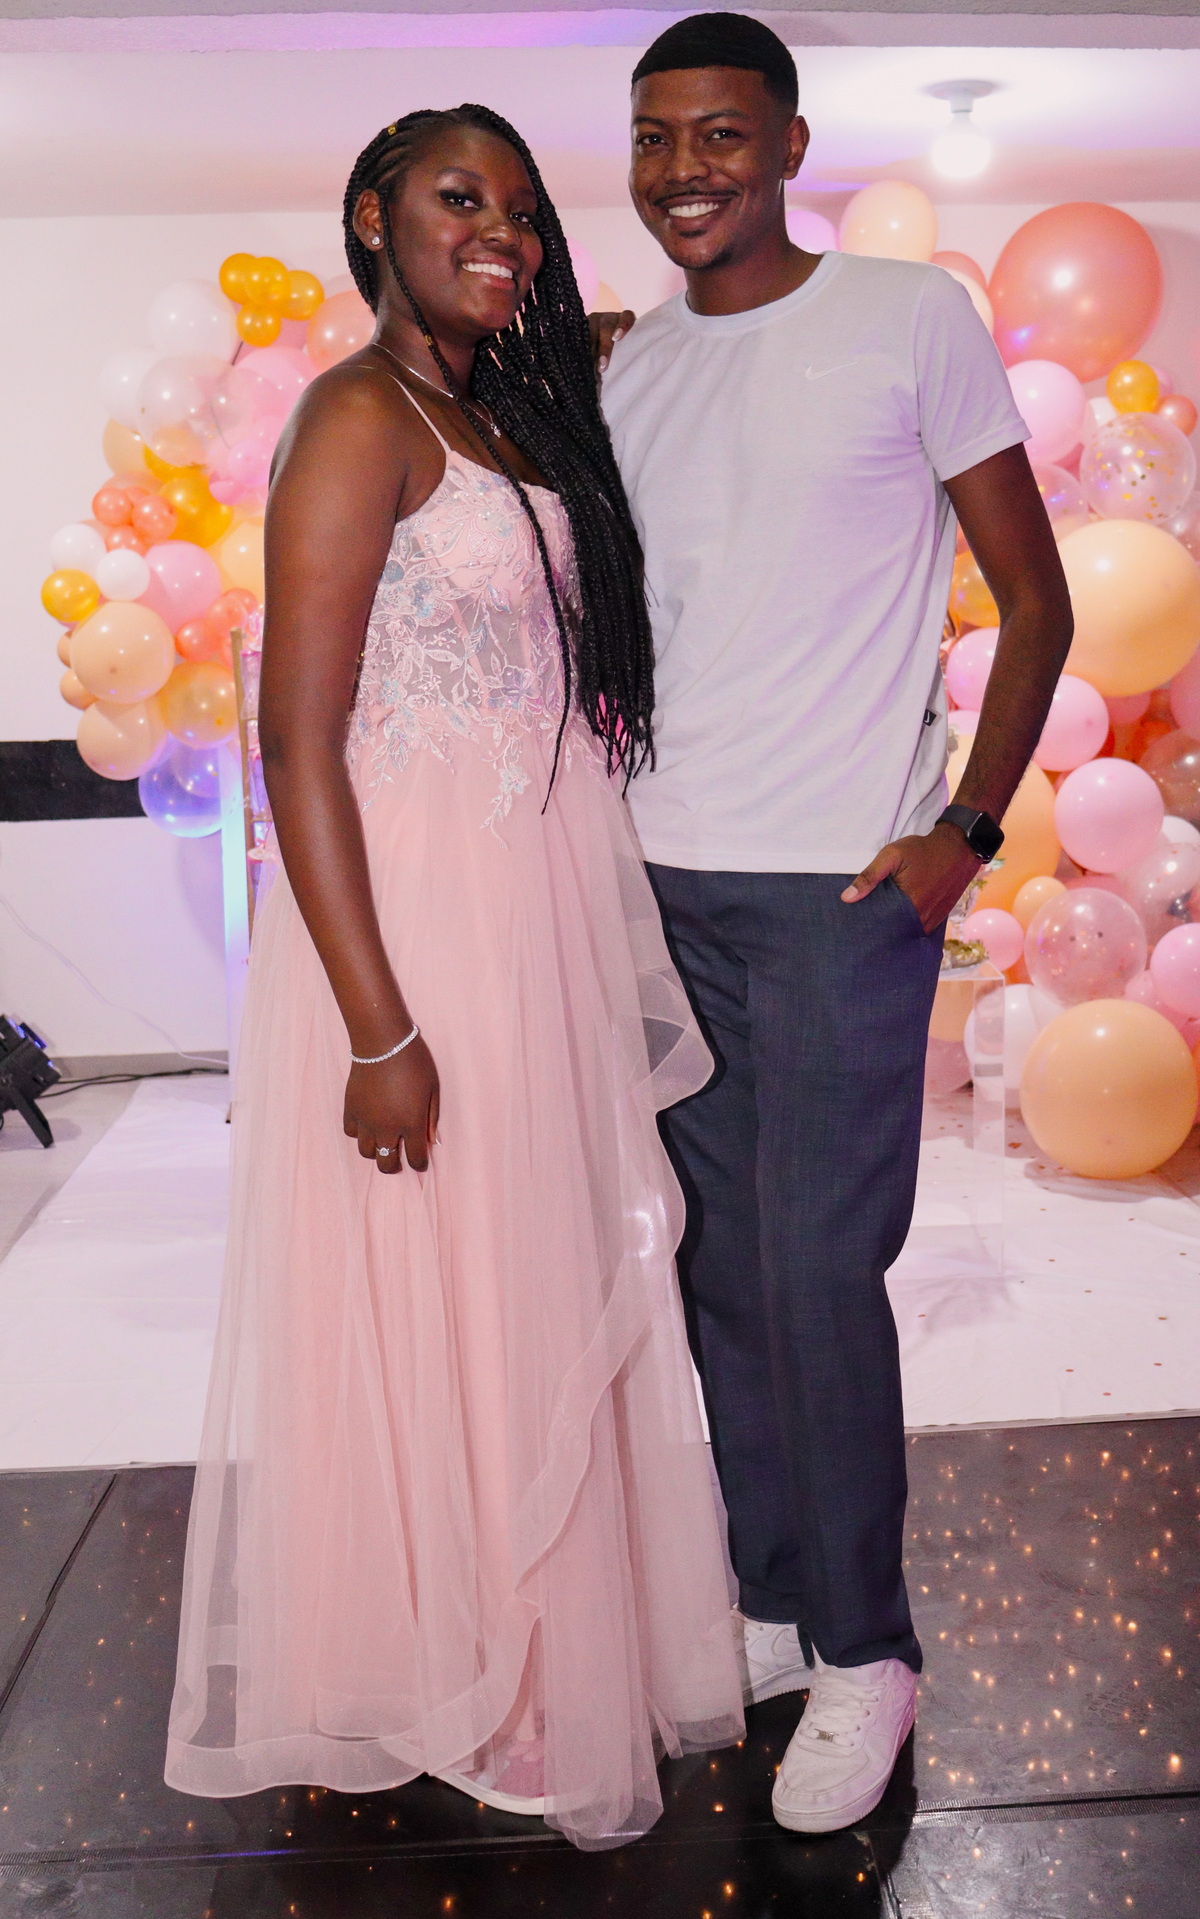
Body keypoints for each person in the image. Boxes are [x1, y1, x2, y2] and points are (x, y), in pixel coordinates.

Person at [165, 103, 743, 1853]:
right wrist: (377, 1026)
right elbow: (296, 741)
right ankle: (454, 1668)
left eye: (520, 208)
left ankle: (524, 1648)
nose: (502, 231)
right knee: (443, 1284)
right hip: (419, 928)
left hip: (534, 905)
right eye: (457, 197)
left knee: (529, 1275)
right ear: (373, 217)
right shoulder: (353, 417)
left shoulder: (497, 413)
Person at [597, 14, 1073, 1835]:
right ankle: (781, 1604)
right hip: (661, 883)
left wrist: (968, 828)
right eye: (655, 137)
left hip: (841, 889)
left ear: (791, 145)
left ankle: (871, 1649)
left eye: (721, 132)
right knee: (719, 1274)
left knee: (813, 1273)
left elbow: (1034, 598)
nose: (685, 169)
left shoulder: (907, 319)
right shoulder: (635, 373)